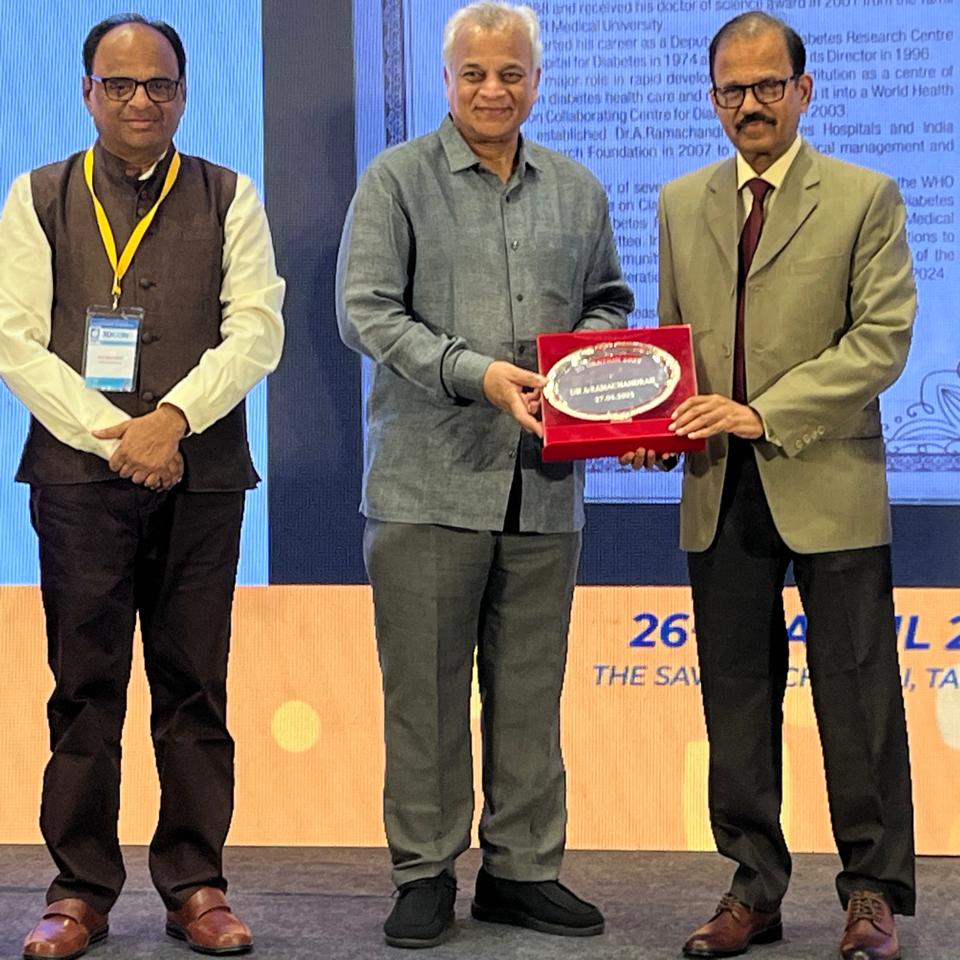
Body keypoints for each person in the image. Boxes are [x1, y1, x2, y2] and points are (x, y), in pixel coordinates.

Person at [335, 0, 633, 949]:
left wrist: (584, 366)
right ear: (447, 78)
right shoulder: (396, 180)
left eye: (510, 73)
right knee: (424, 697)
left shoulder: (578, 189)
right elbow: (366, 312)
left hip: (544, 486)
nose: (493, 89)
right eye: (474, 73)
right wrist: (479, 374)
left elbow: (610, 302)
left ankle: (521, 871)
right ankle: (424, 871)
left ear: (537, 82)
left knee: (530, 691)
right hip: (427, 485)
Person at [624, 11, 917, 959]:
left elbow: (881, 342)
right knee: (736, 700)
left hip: (829, 476)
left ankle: (871, 891)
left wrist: (761, 412)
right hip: (718, 486)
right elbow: (673, 346)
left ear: (803, 90)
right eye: (732, 90)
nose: (750, 104)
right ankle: (753, 886)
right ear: (713, 100)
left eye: (767, 86)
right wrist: (656, 430)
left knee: (858, 698)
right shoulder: (680, 201)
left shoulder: (866, 196)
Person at [0, 13, 286, 960]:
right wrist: (115, 435)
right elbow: (14, 340)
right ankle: (79, 890)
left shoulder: (230, 193)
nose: (140, 101)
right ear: (87, 92)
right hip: (78, 480)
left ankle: (196, 883)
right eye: (119, 85)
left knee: (194, 684)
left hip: (201, 475)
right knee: (85, 686)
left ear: (184, 93)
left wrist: (173, 421)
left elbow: (258, 329)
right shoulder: (37, 195)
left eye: (159, 85)